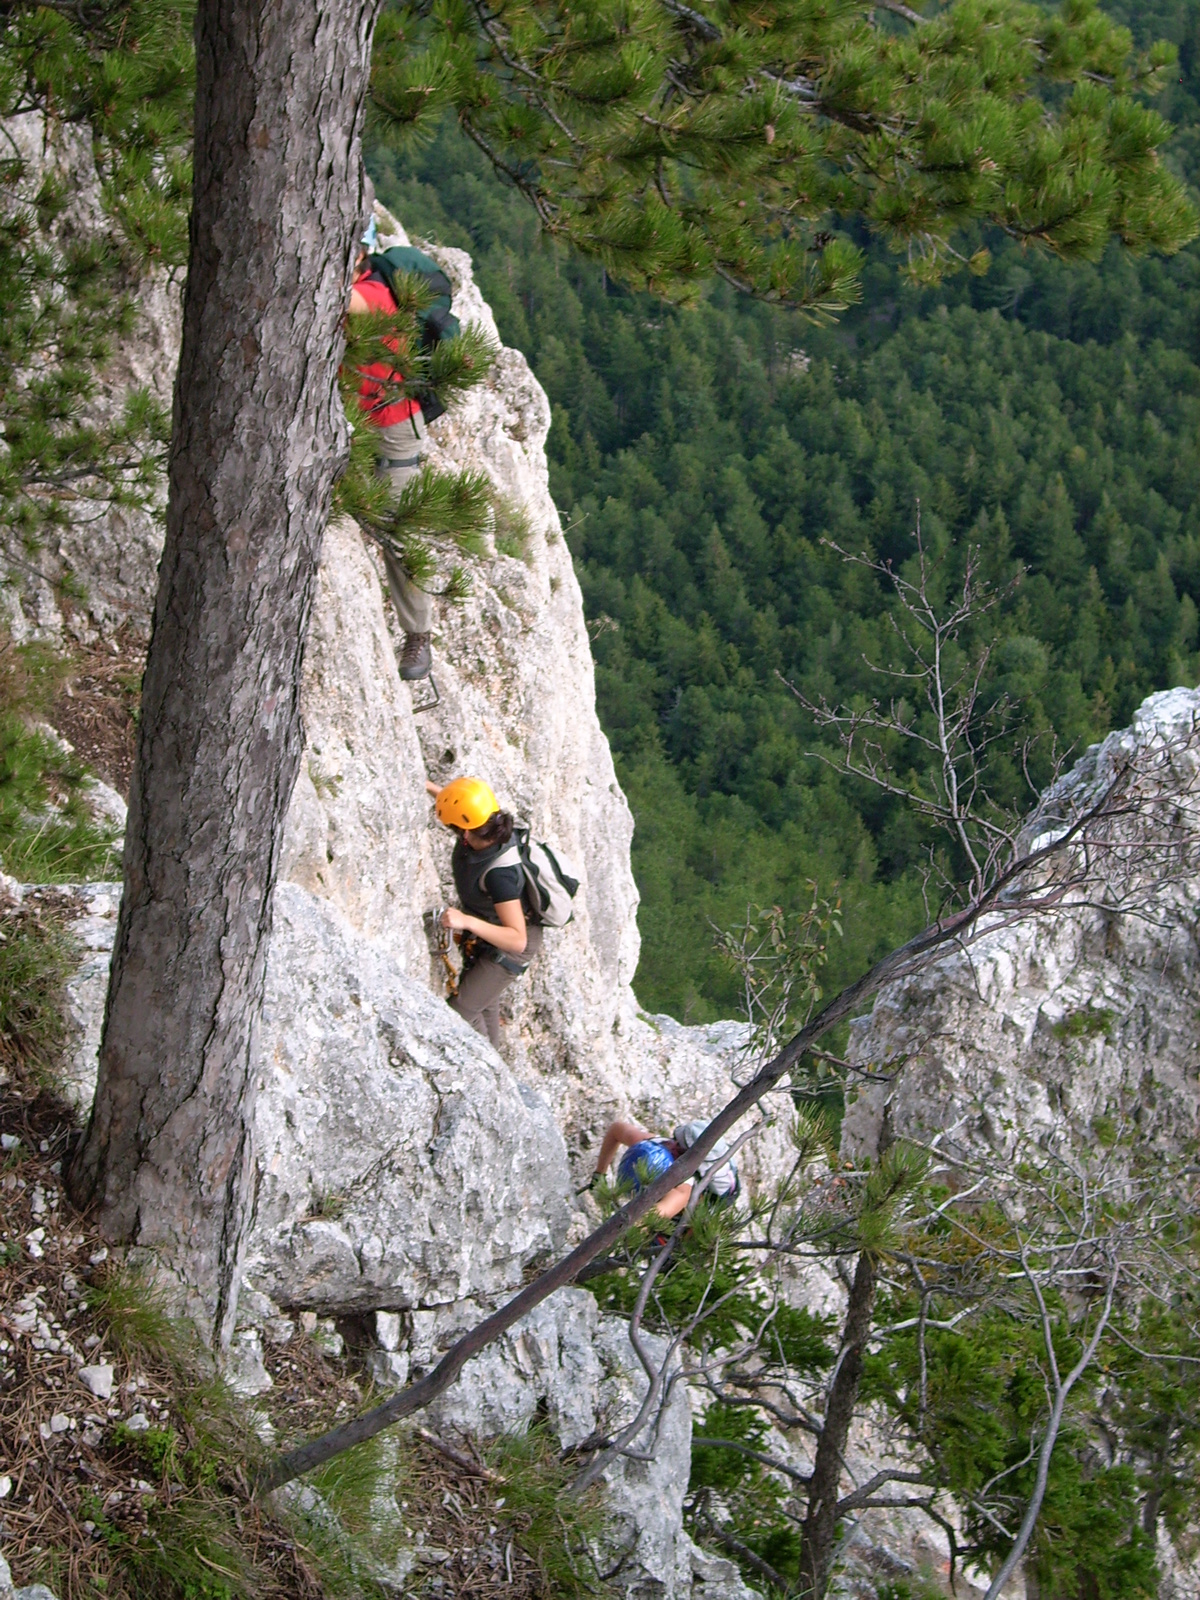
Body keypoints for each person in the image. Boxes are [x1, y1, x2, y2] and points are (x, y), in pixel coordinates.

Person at [349, 216, 435, 682]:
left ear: (361, 253)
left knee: (400, 532)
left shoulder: (378, 294)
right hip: (351, 418)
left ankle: (418, 633)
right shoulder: (361, 284)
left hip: (393, 427)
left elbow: (342, 305)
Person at [428, 775, 543, 1047]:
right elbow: (465, 809)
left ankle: (485, 1073)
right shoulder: (488, 826)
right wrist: (429, 787)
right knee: (483, 1003)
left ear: (465, 833)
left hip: (511, 945)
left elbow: (517, 939)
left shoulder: (499, 875)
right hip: (493, 932)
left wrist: (466, 921)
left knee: (462, 1010)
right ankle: (494, 1062)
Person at [589, 1117, 740, 1219]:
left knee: (694, 1217)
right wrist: (599, 1175)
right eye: (675, 1143)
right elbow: (617, 1129)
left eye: (679, 1150)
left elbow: (656, 1215)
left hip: (721, 1196)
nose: (673, 1147)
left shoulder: (684, 1188)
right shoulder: (653, 1145)